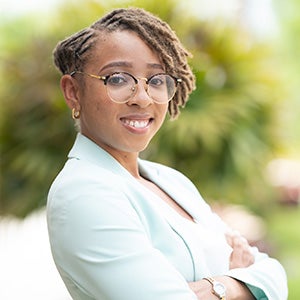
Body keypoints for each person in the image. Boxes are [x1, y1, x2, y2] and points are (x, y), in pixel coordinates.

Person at [47, 7, 288, 300]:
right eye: (118, 79)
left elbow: (273, 274)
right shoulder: (81, 193)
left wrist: (215, 287)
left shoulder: (170, 181)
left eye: (157, 80)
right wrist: (236, 282)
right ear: (73, 91)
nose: (142, 97)